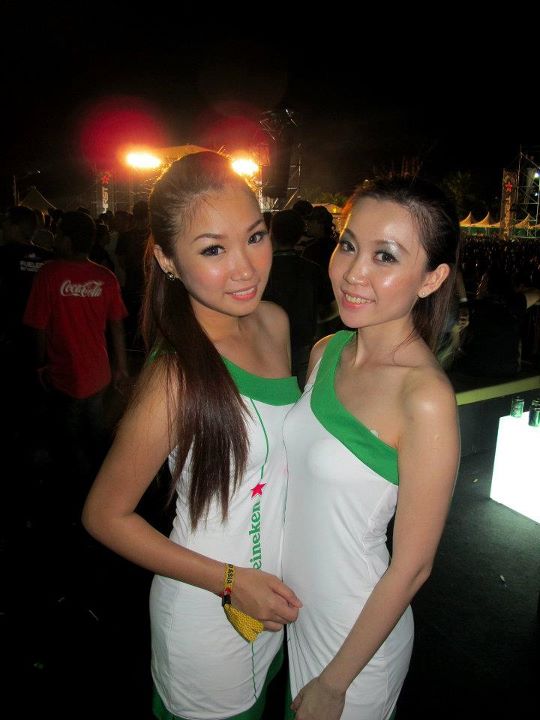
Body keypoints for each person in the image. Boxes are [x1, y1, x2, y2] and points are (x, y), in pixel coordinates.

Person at [82, 151, 302, 720]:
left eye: (254, 237)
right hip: (209, 618)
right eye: (212, 249)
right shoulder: (176, 375)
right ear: (167, 259)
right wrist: (229, 582)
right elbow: (104, 515)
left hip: (274, 603)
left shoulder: (274, 323)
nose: (245, 269)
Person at [282, 176, 461, 720]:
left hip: (355, 644)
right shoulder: (326, 351)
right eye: (348, 245)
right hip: (296, 614)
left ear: (432, 279)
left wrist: (335, 683)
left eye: (385, 256)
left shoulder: (424, 396)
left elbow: (414, 565)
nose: (353, 273)